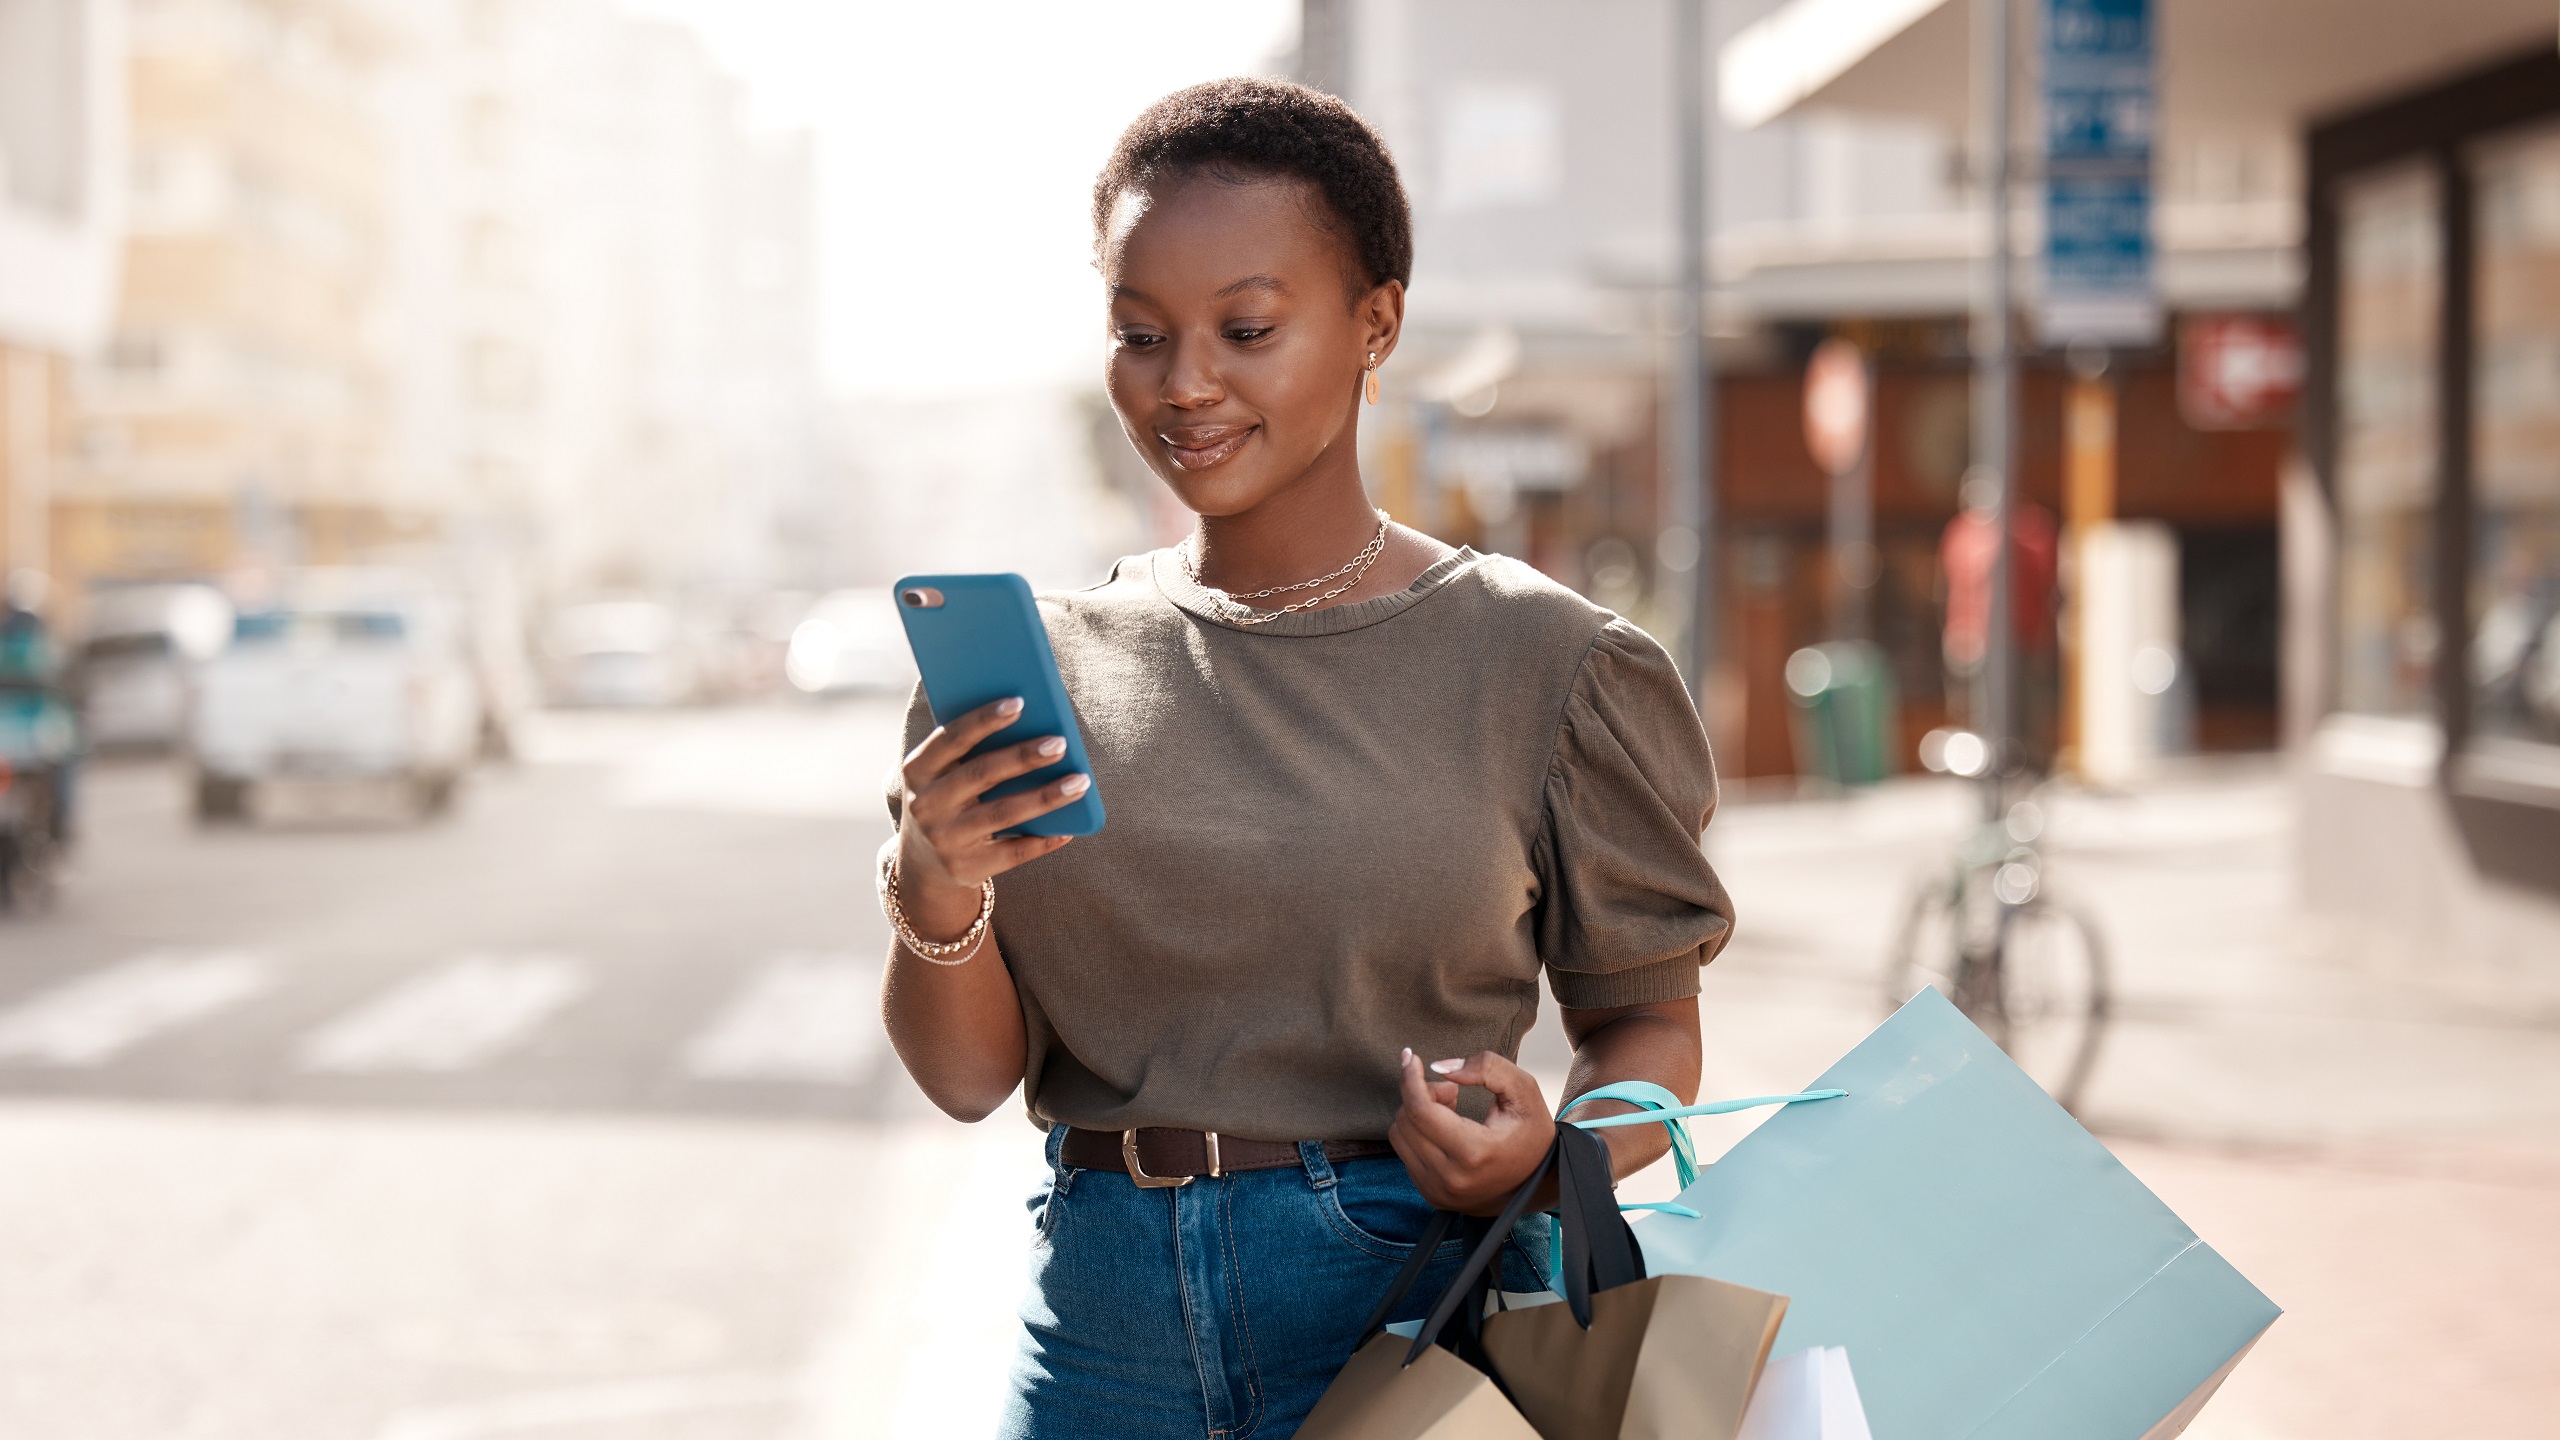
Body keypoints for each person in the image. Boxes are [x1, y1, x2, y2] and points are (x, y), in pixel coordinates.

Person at [880, 79, 1732, 1440]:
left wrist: (1555, 1152)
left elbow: (1647, 1023)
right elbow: (971, 1078)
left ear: (1375, 321)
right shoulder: (1043, 670)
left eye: (1248, 329)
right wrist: (934, 890)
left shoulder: (1549, 665)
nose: (1185, 383)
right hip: (1100, 1341)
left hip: (1413, 1316)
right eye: (1140, 333)